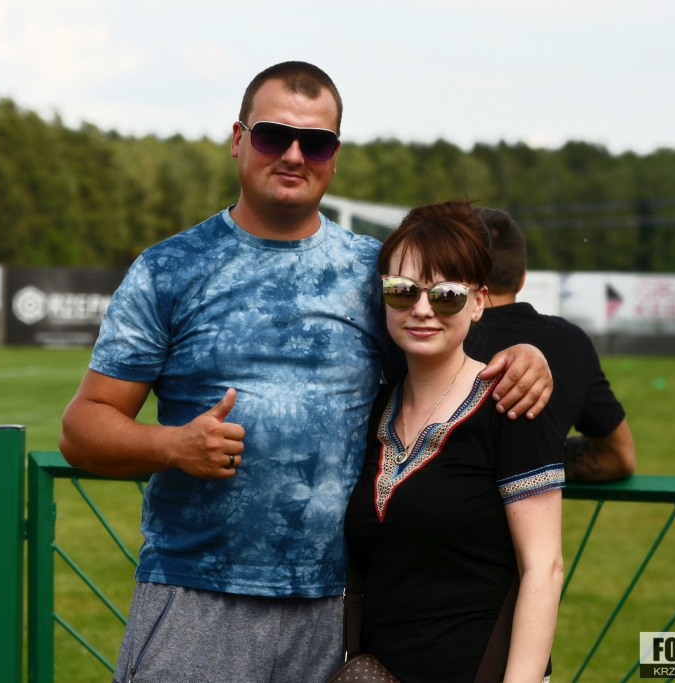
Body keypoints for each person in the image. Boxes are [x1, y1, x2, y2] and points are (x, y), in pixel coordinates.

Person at [59, 62, 554, 683]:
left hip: (330, 610)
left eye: (315, 142)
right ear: (238, 139)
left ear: (334, 157)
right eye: (273, 135)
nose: (294, 154)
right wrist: (172, 446)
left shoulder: (372, 272)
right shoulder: (169, 269)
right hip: (194, 593)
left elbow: (446, 344)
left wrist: (529, 355)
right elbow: (81, 428)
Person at [345, 201, 564, 683]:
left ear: (479, 301)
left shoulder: (510, 405)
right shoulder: (371, 411)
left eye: (446, 294)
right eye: (402, 291)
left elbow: (543, 568)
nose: (422, 309)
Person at [465, 208, 636, 482]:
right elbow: (619, 457)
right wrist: (541, 459)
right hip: (532, 509)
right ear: (522, 279)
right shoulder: (570, 342)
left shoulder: (429, 337)